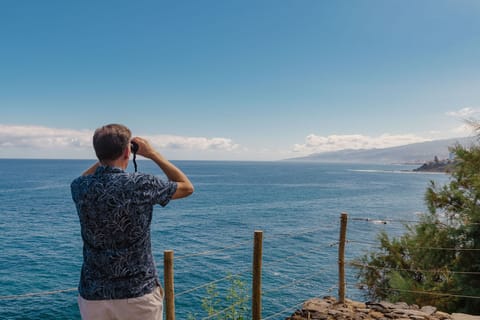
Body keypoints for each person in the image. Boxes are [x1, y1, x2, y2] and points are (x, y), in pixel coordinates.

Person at [71, 124, 194, 320]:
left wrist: (104, 157)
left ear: (97, 153)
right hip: (137, 293)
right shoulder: (140, 184)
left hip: (93, 294)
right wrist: (153, 154)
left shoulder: (79, 187)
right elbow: (187, 187)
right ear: (128, 151)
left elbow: (84, 176)